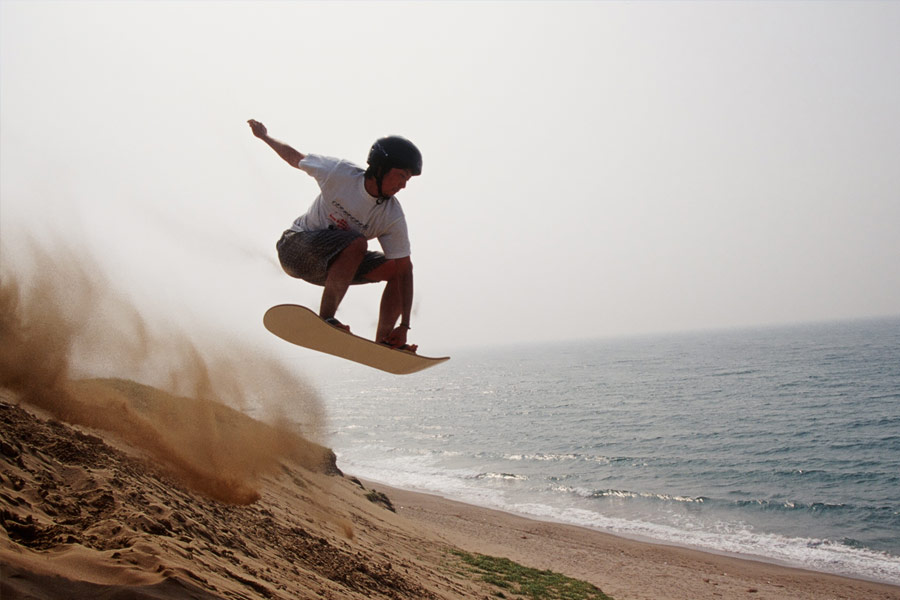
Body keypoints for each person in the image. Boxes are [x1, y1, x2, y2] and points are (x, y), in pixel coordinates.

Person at [248, 119, 421, 351]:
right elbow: (295, 158)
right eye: (400, 176)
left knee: (396, 268)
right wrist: (265, 137)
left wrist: (405, 325)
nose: (403, 185)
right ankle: (327, 319)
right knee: (356, 243)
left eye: (407, 179)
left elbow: (404, 269)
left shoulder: (392, 215)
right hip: (295, 249)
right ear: (380, 168)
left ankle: (386, 340)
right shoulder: (339, 173)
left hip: (330, 270)